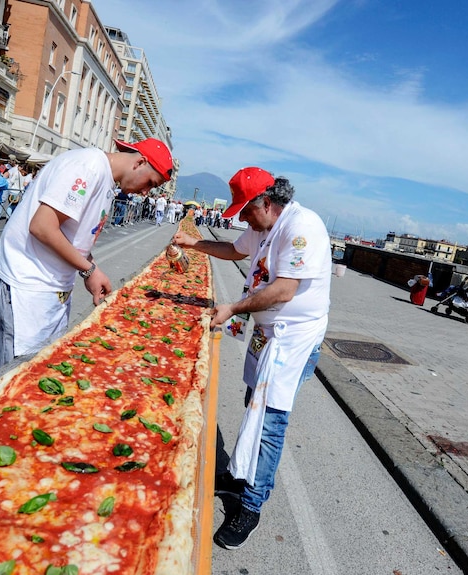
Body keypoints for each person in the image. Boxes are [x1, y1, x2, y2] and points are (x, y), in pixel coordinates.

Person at [172, 167, 331, 549]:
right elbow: (234, 251)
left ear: (267, 202)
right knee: (252, 403)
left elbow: (283, 290)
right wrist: (193, 244)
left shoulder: (301, 226)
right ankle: (240, 474)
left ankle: (252, 505)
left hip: (293, 337)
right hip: (266, 332)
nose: (241, 217)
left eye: (246, 209)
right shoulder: (261, 226)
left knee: (271, 421)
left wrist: (233, 307)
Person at [0, 137, 173, 375]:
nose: (147, 192)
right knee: (10, 380)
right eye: (150, 183)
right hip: (26, 285)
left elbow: (73, 237)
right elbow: (42, 226)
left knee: (40, 373)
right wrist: (88, 270)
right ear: (139, 163)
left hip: (50, 288)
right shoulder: (88, 166)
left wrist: (91, 267)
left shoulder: (105, 177)